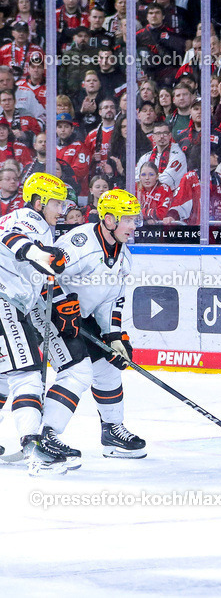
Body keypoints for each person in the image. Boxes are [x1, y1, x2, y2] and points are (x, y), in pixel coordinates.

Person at [39, 189, 146, 465]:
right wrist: (60, 304)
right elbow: (42, 272)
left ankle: (112, 431)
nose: (133, 226)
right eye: (128, 220)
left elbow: (112, 301)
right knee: (78, 371)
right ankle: (45, 436)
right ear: (109, 220)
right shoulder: (81, 243)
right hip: (45, 312)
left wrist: (114, 336)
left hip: (78, 316)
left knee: (108, 368)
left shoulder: (124, 257)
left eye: (135, 220)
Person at [0, 172, 75, 475]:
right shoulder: (27, 218)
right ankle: (34, 447)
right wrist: (39, 254)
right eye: (57, 203)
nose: (63, 210)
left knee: (4, 377)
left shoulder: (43, 228)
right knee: (27, 374)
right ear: (38, 201)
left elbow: (36, 275)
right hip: (4, 301)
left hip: (12, 302)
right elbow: (11, 238)